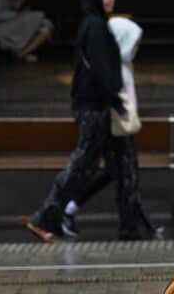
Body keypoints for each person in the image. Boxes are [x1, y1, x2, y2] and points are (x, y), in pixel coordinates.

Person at [23, 0, 159, 242]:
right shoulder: (95, 26)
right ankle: (45, 217)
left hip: (103, 107)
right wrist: (117, 101)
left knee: (125, 164)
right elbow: (100, 69)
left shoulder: (97, 25)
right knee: (83, 164)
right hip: (98, 109)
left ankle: (133, 225)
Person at [57, 15, 160, 239]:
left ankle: (71, 209)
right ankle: (67, 209)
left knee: (118, 173)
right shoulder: (112, 70)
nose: (136, 47)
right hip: (112, 129)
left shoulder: (121, 66)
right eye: (133, 42)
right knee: (120, 172)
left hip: (117, 129)